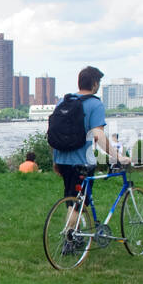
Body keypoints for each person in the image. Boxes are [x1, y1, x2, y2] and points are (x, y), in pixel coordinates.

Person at [51, 66, 111, 207]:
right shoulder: (95, 104)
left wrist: (55, 159)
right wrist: (117, 156)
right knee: (78, 205)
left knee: (71, 199)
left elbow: (55, 132)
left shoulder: (63, 101)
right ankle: (70, 229)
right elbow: (98, 135)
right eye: (99, 83)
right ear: (95, 83)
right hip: (83, 161)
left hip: (62, 160)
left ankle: (74, 227)